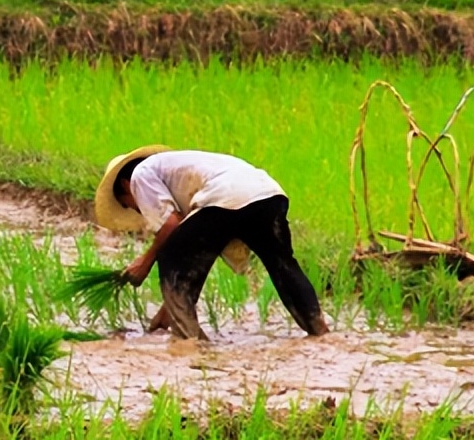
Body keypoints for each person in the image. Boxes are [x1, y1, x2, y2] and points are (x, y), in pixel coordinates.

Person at [94, 145, 331, 341]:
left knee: (169, 253)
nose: (137, 209)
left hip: (225, 198)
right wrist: (170, 308)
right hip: (268, 194)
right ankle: (320, 334)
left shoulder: (140, 176)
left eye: (128, 204)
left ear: (126, 186)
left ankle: (189, 343)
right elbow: (199, 255)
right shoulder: (182, 165)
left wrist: (145, 263)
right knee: (283, 267)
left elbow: (171, 226)